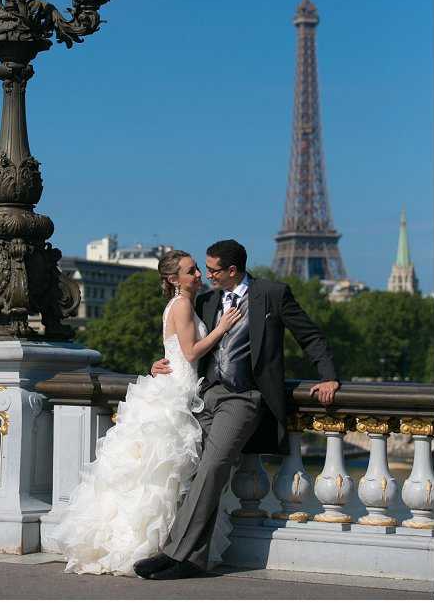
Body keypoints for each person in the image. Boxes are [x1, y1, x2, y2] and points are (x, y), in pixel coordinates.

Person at [134, 238, 340, 581]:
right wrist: (162, 363)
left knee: (213, 467)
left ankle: (175, 554)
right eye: (200, 269)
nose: (205, 275)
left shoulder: (272, 294)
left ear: (232, 270)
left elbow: (310, 336)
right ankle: (192, 557)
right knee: (198, 473)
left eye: (212, 270)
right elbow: (189, 346)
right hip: (206, 396)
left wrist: (329, 377)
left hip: (244, 398)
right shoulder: (206, 300)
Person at [49, 249, 242, 576]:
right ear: (173, 279)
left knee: (158, 474)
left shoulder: (181, 304)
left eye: (197, 270)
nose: (198, 275)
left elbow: (176, 351)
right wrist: (222, 327)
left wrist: (158, 362)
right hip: (178, 393)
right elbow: (192, 351)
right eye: (191, 271)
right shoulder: (182, 305)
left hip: (175, 387)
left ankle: (157, 546)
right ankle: (155, 547)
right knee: (164, 474)